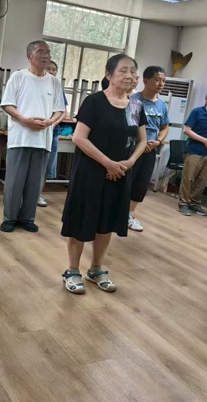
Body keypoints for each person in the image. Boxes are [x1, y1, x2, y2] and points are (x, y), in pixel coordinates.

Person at [60, 54, 147, 294]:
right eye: (123, 70)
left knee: (106, 222)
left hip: (120, 173)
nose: (130, 76)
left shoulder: (135, 105)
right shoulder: (94, 102)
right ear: (109, 75)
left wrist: (129, 162)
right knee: (81, 219)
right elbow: (79, 138)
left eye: (133, 71)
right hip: (91, 171)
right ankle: (72, 270)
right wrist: (107, 163)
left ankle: (96, 269)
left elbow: (142, 140)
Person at [0, 41, 65, 232]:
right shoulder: (18, 77)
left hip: (43, 139)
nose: (45, 56)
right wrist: (24, 120)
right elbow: (7, 104)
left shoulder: (54, 82)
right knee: (15, 181)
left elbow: (60, 110)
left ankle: (27, 218)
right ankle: (10, 218)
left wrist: (50, 122)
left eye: (48, 53)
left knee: (35, 183)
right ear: (29, 56)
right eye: (40, 52)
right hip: (20, 138)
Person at [127, 66, 170, 231]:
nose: (161, 83)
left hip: (151, 150)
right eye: (157, 80)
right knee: (126, 181)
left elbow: (165, 127)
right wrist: (141, 142)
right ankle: (116, 212)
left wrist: (158, 141)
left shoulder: (162, 105)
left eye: (163, 80)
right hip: (132, 149)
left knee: (141, 184)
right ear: (145, 81)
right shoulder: (132, 100)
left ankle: (129, 215)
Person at [178, 88, 207, 217]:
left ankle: (194, 203)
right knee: (189, 178)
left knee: (202, 180)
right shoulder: (197, 112)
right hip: (194, 150)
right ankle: (183, 203)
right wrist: (205, 140)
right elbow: (187, 130)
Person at [37, 60, 68, 207]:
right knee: (34, 165)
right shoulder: (37, 84)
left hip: (52, 133)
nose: (51, 71)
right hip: (36, 130)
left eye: (54, 69)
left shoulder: (57, 88)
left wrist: (52, 124)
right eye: (48, 68)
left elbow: (63, 111)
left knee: (46, 166)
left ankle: (38, 194)